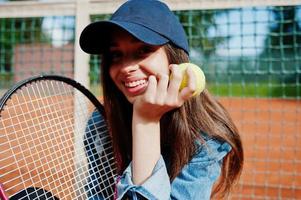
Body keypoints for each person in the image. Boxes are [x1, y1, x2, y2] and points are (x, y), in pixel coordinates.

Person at [80, 0, 244, 199]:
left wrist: (146, 121)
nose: (126, 67)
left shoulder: (205, 138)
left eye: (143, 50)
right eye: (116, 55)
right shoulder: (100, 123)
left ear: (175, 60)